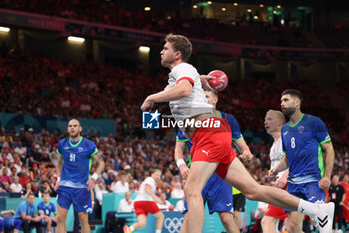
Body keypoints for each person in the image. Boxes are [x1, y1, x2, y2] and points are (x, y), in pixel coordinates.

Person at [140, 33, 334, 233]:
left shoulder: (183, 68)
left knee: (191, 190)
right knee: (253, 191)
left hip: (208, 135)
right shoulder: (180, 74)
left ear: (177, 54)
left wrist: (151, 98)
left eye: (166, 48)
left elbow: (184, 90)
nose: (161, 51)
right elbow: (183, 86)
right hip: (211, 135)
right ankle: (318, 209)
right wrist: (198, 79)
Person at [175, 88, 251, 233]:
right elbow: (178, 149)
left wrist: (246, 152)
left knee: (227, 218)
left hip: (221, 175)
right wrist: (182, 165)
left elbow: (243, 146)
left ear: (215, 99)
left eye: (207, 96)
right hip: (198, 175)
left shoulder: (228, 119)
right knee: (188, 217)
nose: (203, 99)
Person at [269, 89, 335, 233]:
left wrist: (327, 176)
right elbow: (287, 158)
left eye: (286, 100)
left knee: (320, 223)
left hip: (313, 181)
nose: (282, 104)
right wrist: (276, 170)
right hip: (293, 184)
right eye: (281, 101)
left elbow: (329, 149)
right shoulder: (285, 129)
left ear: (297, 102)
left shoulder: (314, 122)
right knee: (292, 226)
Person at [55, 119, 105, 233]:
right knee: (61, 218)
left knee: (83, 219)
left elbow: (101, 163)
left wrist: (94, 177)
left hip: (82, 188)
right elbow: (58, 162)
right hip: (65, 186)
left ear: (80, 128)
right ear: (67, 129)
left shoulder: (89, 145)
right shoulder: (62, 144)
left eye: (75, 126)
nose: (72, 128)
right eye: (70, 126)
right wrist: (58, 179)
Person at [262, 110, 289, 233]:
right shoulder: (274, 145)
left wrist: (284, 176)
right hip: (280, 186)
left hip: (288, 184)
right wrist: (273, 174)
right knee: (293, 226)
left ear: (279, 122)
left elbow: (297, 159)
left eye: (269, 119)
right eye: (265, 119)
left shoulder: (287, 137)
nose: (265, 122)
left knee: (267, 221)